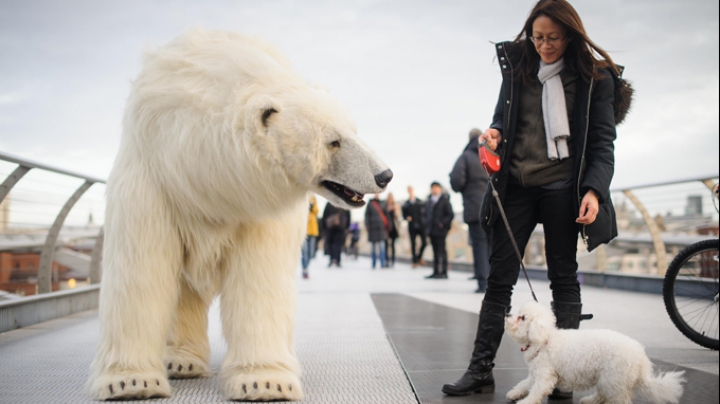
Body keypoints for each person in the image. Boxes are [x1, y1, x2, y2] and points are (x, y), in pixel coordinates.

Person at [442, 0, 628, 399]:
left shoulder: (595, 78)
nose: (545, 45)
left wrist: (594, 190)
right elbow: (500, 120)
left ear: (571, 36)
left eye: (554, 38)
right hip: (517, 186)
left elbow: (602, 143)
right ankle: (479, 370)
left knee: (563, 278)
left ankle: (562, 373)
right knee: (499, 281)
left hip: (564, 187)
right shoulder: (518, 67)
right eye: (538, 37)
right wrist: (493, 134)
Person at [450, 128, 491, 293]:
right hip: (494, 205)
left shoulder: (466, 156)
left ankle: (483, 284)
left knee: (480, 245)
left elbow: (456, 181)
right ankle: (495, 284)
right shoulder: (490, 154)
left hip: (475, 207)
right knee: (492, 245)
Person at [424, 182, 454, 279]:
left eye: (436, 188)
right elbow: (425, 214)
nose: (434, 190)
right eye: (433, 188)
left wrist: (442, 224)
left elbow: (450, 214)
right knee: (435, 251)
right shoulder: (429, 200)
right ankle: (436, 271)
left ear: (440, 189)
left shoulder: (444, 200)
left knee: (442, 251)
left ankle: (444, 272)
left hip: (441, 230)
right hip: (431, 230)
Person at [402, 186, 427, 268]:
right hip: (412, 226)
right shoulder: (406, 204)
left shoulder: (420, 202)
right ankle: (414, 261)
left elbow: (425, 213)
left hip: (421, 225)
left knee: (424, 242)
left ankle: (419, 257)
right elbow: (404, 215)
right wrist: (407, 218)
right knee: (413, 243)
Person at [322, 202, 350, 268]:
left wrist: (324, 227)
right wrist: (347, 227)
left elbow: (324, 215)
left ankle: (332, 259)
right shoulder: (344, 202)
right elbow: (348, 216)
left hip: (331, 226)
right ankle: (337, 260)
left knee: (331, 244)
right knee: (338, 244)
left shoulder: (329, 203)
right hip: (341, 227)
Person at [364, 194, 388, 269]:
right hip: (373, 228)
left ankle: (382, 263)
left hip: (381, 228)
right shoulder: (370, 203)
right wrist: (367, 225)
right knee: (373, 248)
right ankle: (373, 263)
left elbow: (386, 215)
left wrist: (388, 226)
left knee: (382, 247)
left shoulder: (383, 203)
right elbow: (366, 215)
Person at [301, 196, 320, 279]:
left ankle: (306, 267)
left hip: (313, 230)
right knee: (304, 252)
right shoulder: (302, 196)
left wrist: (312, 206)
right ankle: (305, 269)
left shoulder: (313, 198)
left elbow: (317, 211)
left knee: (311, 253)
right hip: (303, 230)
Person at [385, 193, 400, 267]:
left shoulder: (395, 205)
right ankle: (386, 260)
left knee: (393, 245)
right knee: (386, 245)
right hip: (386, 227)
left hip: (394, 227)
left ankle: (393, 260)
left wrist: (395, 209)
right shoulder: (385, 205)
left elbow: (398, 216)